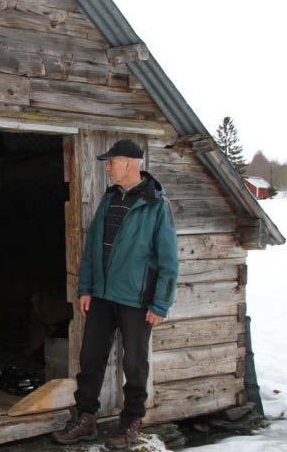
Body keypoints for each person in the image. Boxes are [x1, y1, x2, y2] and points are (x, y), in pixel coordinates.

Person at [52, 139, 178, 449]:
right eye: (108, 162)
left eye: (113, 161)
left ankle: (130, 423)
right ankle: (85, 419)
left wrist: (160, 303)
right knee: (90, 358)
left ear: (132, 164)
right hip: (102, 297)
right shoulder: (109, 199)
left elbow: (168, 261)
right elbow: (93, 247)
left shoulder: (156, 205)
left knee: (134, 363)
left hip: (137, 300)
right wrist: (86, 288)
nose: (107, 166)